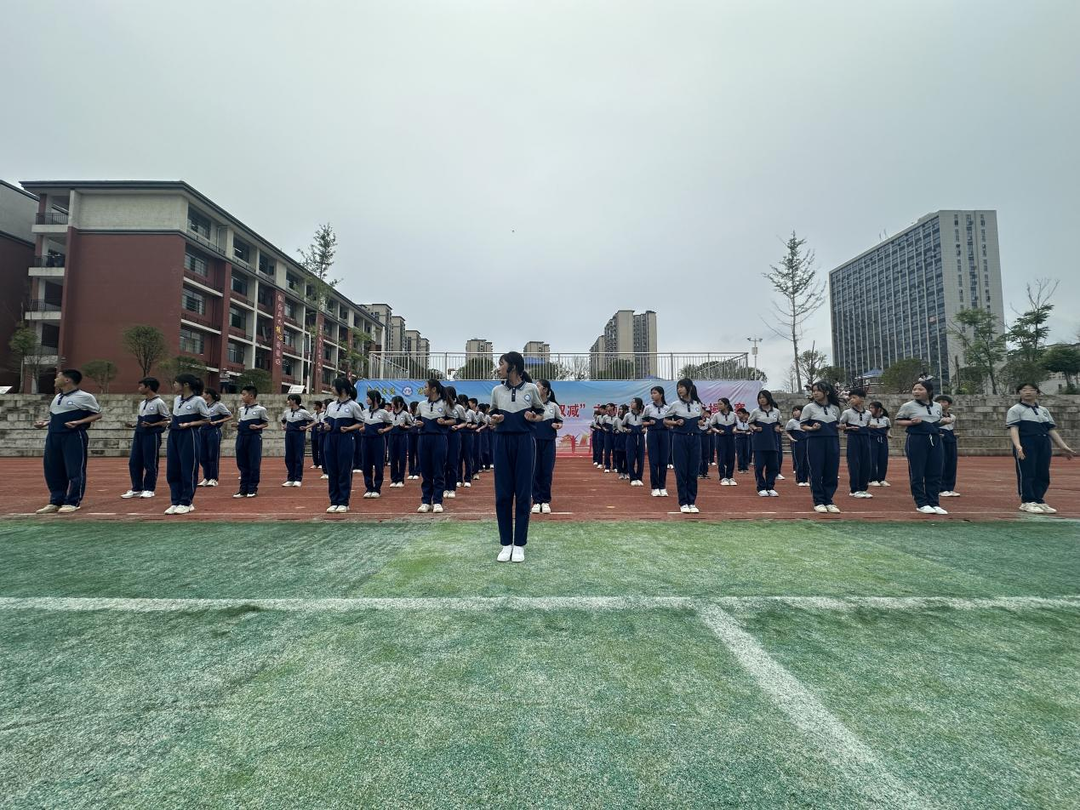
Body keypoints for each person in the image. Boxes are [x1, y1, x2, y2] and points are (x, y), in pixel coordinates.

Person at [489, 351, 544, 561]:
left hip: (524, 442)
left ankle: (519, 544)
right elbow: (491, 415)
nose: (499, 367)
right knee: (503, 494)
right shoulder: (497, 390)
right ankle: (506, 543)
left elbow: (540, 413)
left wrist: (533, 417)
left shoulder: (531, 389)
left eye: (501, 364)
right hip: (502, 442)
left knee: (523, 493)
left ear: (512, 366)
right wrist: (495, 418)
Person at [33, 369, 103, 514]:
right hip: (53, 436)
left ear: (67, 380)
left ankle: (73, 501)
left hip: (73, 436)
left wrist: (79, 421)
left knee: (75, 470)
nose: (55, 379)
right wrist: (45, 423)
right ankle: (56, 500)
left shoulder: (85, 396)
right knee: (52, 470)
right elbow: (56, 416)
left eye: (58, 377)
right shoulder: (57, 396)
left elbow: (98, 414)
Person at [1007, 382, 1075, 513]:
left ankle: (1038, 499)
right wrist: (1018, 446)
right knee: (1027, 472)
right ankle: (1027, 501)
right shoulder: (1015, 409)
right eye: (1024, 390)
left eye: (1032, 390)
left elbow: (1051, 430)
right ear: (1019, 393)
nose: (1028, 392)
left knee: (1042, 472)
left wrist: (1063, 446)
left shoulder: (1043, 410)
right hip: (1027, 442)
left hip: (1043, 442)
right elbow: (1014, 428)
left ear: (1037, 393)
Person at [895, 381, 947, 515]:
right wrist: (911, 422)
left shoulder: (937, 406)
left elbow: (937, 421)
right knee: (917, 472)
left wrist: (944, 421)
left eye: (920, 389)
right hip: (917, 439)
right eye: (914, 389)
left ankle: (934, 502)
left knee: (935, 471)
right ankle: (921, 503)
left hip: (935, 439)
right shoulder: (908, 406)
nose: (916, 392)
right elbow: (898, 421)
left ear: (929, 391)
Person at [164, 373, 211, 515]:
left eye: (176, 383)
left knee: (188, 468)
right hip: (174, 434)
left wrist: (190, 424)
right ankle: (175, 501)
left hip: (189, 435)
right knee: (173, 469)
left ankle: (186, 501)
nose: (174, 385)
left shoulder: (198, 400)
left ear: (185, 385)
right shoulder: (177, 399)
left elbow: (207, 419)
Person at [121, 376, 170, 500]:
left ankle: (149, 489)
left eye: (141, 386)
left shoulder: (159, 403)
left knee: (150, 462)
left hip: (151, 435)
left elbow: (167, 420)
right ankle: (136, 488)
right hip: (139, 434)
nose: (139, 388)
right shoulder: (143, 403)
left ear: (148, 387)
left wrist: (152, 425)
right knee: (134, 462)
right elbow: (141, 420)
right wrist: (133, 424)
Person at [322, 378, 365, 513]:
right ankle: (333, 501)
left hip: (345, 439)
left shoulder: (353, 405)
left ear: (343, 389)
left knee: (344, 470)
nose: (331, 388)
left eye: (334, 386)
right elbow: (325, 421)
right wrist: (327, 426)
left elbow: (361, 423)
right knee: (332, 470)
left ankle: (343, 501)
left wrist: (349, 428)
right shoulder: (331, 405)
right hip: (330, 438)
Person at [800, 381, 842, 513]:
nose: (815, 393)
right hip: (815, 441)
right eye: (813, 391)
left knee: (832, 471)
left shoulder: (835, 408)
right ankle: (818, 500)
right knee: (816, 470)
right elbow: (802, 425)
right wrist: (812, 428)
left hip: (833, 441)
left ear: (827, 392)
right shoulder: (809, 408)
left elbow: (837, 424)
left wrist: (842, 427)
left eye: (818, 390)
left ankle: (828, 500)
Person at [664, 378, 704, 514]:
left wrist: (701, 423)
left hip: (695, 439)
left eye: (682, 387)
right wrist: (675, 423)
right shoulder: (675, 405)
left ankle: (692, 501)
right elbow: (665, 421)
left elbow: (700, 419)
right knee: (681, 471)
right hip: (679, 439)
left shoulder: (698, 404)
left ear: (690, 388)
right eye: (678, 387)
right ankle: (683, 502)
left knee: (693, 471)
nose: (679, 389)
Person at [416, 379, 456, 513]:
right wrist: (419, 424)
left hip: (439, 439)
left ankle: (437, 501)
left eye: (425, 387)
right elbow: (417, 419)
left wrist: (444, 422)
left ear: (433, 389)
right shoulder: (421, 405)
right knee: (426, 471)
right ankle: (426, 501)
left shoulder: (445, 403)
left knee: (438, 470)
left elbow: (454, 420)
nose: (424, 389)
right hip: (423, 439)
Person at [531, 378, 564, 513]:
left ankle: (545, 501)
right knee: (534, 472)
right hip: (533, 442)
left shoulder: (553, 406)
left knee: (546, 471)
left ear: (545, 390)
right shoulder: (531, 406)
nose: (535, 388)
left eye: (538, 386)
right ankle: (536, 501)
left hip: (549, 442)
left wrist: (557, 425)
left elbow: (560, 422)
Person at [232, 385, 268, 499]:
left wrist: (257, 426)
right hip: (241, 436)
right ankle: (243, 489)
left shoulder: (261, 410)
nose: (242, 397)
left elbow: (265, 423)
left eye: (244, 394)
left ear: (251, 396)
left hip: (253, 438)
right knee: (242, 463)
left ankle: (252, 488)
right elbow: (240, 422)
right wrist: (237, 425)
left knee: (253, 463)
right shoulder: (241, 410)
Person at [748, 389, 783, 497]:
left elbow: (779, 424)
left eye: (763, 397)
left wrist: (778, 428)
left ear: (768, 398)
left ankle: (770, 487)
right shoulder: (755, 411)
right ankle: (761, 487)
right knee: (759, 466)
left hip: (773, 442)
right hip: (759, 443)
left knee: (773, 466)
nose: (761, 400)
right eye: (759, 398)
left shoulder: (776, 412)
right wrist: (755, 428)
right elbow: (750, 423)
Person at [839, 387, 873, 499]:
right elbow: (841, 425)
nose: (851, 400)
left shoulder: (868, 413)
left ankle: (863, 488)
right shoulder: (847, 412)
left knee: (866, 463)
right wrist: (848, 428)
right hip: (853, 437)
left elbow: (867, 424)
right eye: (850, 398)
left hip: (865, 437)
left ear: (862, 399)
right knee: (854, 463)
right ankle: (854, 489)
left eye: (854, 397)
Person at [361, 389, 393, 498]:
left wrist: (384, 430)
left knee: (379, 464)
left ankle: (377, 488)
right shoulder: (364, 412)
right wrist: (362, 428)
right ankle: (369, 487)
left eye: (368, 397)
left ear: (374, 399)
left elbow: (390, 425)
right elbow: (361, 424)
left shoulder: (383, 413)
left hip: (378, 441)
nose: (366, 399)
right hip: (366, 440)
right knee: (366, 464)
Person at [197, 388, 231, 488]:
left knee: (213, 455)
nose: (202, 394)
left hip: (213, 431)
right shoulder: (203, 405)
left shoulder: (218, 405)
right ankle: (206, 477)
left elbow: (229, 416)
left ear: (209, 395)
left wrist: (217, 422)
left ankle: (213, 478)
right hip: (202, 431)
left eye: (204, 393)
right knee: (202, 456)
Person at [642, 386, 670, 497]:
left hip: (664, 434)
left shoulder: (668, 408)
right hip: (652, 434)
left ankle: (662, 486)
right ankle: (654, 487)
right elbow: (643, 422)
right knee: (653, 461)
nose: (652, 395)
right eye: (651, 393)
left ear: (661, 394)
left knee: (663, 461)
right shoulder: (648, 408)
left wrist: (668, 424)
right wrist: (649, 423)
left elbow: (670, 422)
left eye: (654, 393)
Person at [280, 394, 313, 487]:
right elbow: (283, 420)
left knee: (298, 456)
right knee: (289, 456)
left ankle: (298, 478)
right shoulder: (286, 412)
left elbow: (314, 421)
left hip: (299, 435)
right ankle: (290, 478)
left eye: (289, 400)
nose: (288, 402)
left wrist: (306, 427)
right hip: (289, 435)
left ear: (294, 401)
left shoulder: (303, 412)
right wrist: (284, 426)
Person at [935, 395, 960, 497]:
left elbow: (951, 428)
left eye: (944, 402)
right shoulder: (935, 416)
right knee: (942, 464)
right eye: (939, 402)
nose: (941, 404)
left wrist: (954, 435)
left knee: (952, 464)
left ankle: (950, 487)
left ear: (949, 404)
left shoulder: (952, 417)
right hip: (941, 440)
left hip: (951, 440)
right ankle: (942, 488)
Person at [443, 385, 465, 499]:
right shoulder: (441, 406)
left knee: (453, 461)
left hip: (454, 436)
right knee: (443, 462)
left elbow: (464, 422)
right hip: (443, 435)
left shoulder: (459, 408)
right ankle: (444, 487)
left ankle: (452, 488)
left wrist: (458, 426)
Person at [387, 395, 414, 488]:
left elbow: (411, 425)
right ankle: (394, 479)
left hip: (402, 437)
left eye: (393, 402)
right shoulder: (389, 414)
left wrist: (404, 427)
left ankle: (400, 479)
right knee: (393, 458)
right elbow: (386, 425)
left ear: (398, 403)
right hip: (391, 437)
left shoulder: (405, 414)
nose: (391, 404)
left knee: (402, 458)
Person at [711, 398, 738, 486]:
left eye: (720, 404)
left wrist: (734, 429)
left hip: (731, 438)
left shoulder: (733, 415)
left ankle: (730, 476)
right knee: (721, 457)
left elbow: (736, 425)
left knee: (731, 457)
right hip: (720, 438)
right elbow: (712, 426)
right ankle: (723, 477)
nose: (718, 406)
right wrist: (718, 431)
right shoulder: (716, 415)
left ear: (726, 405)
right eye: (718, 404)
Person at [867, 401, 892, 487]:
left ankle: (881, 479)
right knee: (872, 460)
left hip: (883, 440)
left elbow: (888, 428)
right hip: (872, 440)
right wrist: (869, 427)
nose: (870, 409)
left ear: (879, 409)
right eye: (870, 408)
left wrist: (888, 434)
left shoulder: (885, 419)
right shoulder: (868, 418)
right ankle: (872, 479)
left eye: (872, 408)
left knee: (883, 460)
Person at [623, 397, 646, 487]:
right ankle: (633, 478)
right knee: (630, 459)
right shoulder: (627, 415)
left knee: (641, 459)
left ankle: (639, 478)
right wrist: (626, 430)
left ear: (638, 404)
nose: (631, 404)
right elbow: (623, 425)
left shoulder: (643, 415)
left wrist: (645, 429)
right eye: (631, 402)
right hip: (630, 438)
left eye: (633, 402)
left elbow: (646, 425)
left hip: (640, 438)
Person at [785, 405, 809, 487]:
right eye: (793, 411)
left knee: (807, 461)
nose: (795, 412)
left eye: (797, 410)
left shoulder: (807, 421)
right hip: (798, 443)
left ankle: (805, 479)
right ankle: (799, 479)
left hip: (806, 442)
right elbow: (787, 432)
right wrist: (792, 439)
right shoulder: (792, 422)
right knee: (799, 461)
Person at [734, 408, 753, 473]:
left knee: (746, 453)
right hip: (739, 438)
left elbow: (751, 429)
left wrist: (751, 431)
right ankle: (740, 468)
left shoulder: (748, 422)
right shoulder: (736, 421)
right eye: (738, 413)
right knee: (740, 453)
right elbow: (734, 431)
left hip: (746, 438)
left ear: (744, 414)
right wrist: (742, 432)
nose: (738, 415)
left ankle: (745, 468)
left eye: (740, 413)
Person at [309, 399, 326, 471]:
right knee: (314, 448)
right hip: (314, 432)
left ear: (318, 406)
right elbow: (311, 423)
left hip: (320, 431)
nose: (313, 406)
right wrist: (309, 428)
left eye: (315, 405)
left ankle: (321, 463)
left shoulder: (323, 414)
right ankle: (315, 463)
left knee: (321, 447)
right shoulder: (313, 415)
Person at [407, 400, 421, 479]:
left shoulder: (421, 415)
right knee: (411, 453)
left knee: (418, 453)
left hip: (418, 435)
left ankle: (417, 472)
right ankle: (411, 471)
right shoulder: (408, 416)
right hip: (410, 435)